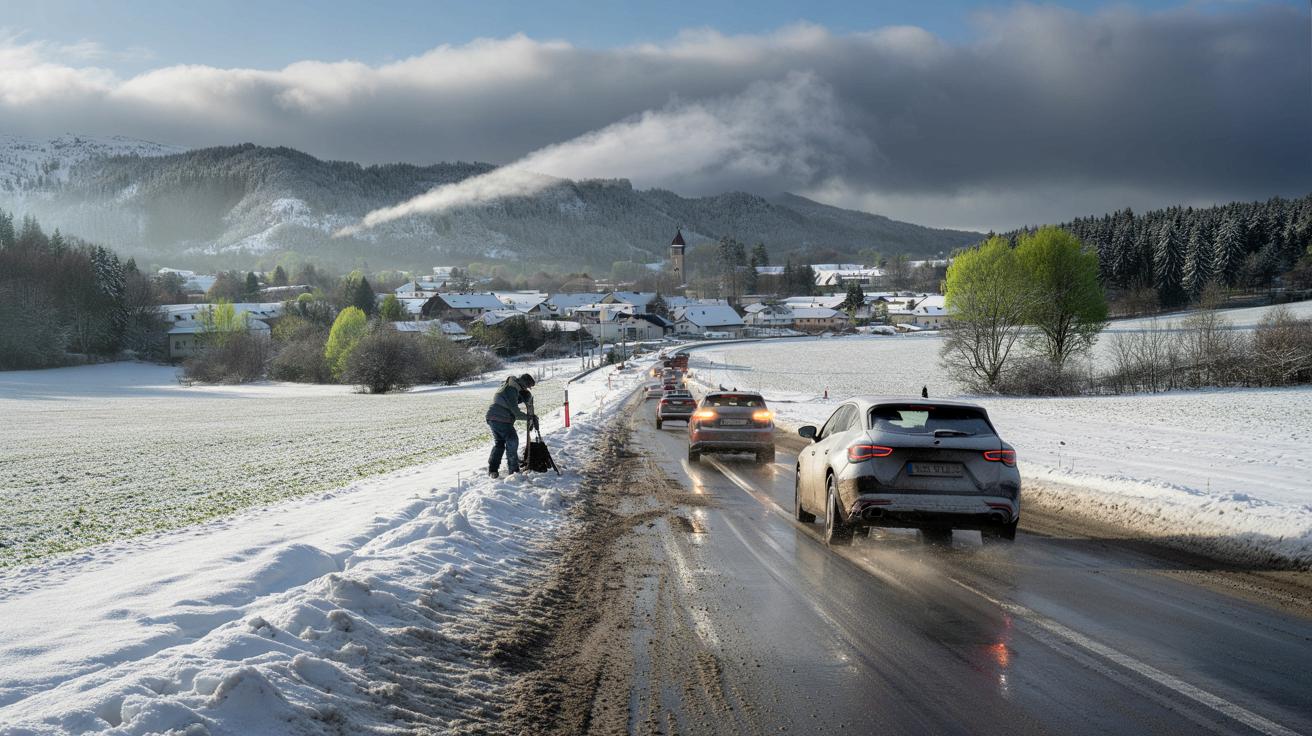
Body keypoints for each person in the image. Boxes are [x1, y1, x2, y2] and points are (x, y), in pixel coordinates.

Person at [485, 373, 536, 478]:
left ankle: (493, 470)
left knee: (499, 443)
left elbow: (510, 402)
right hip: (501, 418)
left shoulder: (509, 385)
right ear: (524, 383)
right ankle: (513, 471)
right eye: (527, 386)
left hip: (492, 417)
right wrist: (530, 417)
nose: (526, 389)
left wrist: (523, 398)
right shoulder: (512, 389)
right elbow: (516, 412)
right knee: (512, 440)